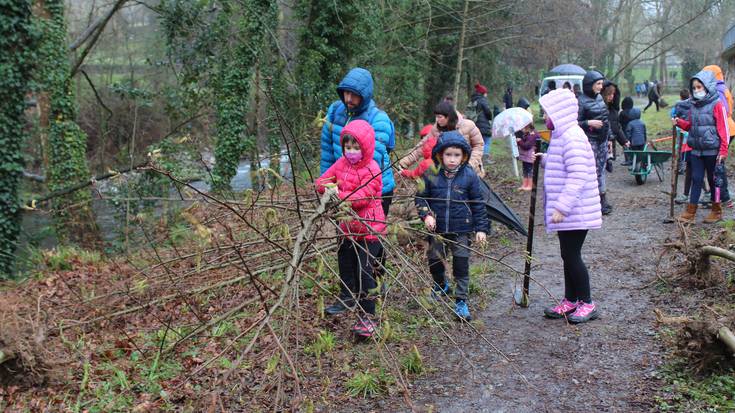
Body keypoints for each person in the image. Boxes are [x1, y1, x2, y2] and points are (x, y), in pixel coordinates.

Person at [320, 67, 395, 315]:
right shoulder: (334, 112)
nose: (348, 100)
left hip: (375, 191)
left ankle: (373, 284)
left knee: (369, 240)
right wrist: (327, 188)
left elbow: (372, 161)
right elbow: (329, 155)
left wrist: (349, 195)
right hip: (342, 191)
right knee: (345, 243)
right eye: (345, 94)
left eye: (354, 95)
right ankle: (347, 293)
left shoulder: (379, 119)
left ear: (365, 94)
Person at [537, 88, 602, 324]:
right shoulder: (561, 135)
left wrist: (561, 207)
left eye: (547, 114)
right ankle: (570, 300)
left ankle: (587, 303)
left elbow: (578, 175)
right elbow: (561, 166)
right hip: (570, 212)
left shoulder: (572, 136)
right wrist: (543, 160)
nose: (545, 119)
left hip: (576, 210)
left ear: (560, 113)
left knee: (572, 255)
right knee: (567, 255)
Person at [315, 120, 386, 337]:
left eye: (356, 147)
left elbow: (362, 198)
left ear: (365, 147)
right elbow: (322, 181)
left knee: (365, 271)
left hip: (368, 230)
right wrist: (326, 187)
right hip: (346, 228)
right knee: (345, 264)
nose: (351, 151)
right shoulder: (341, 163)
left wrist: (338, 194)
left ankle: (368, 316)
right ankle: (347, 297)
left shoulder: (372, 169)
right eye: (348, 147)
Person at [415, 131, 489, 321]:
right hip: (437, 228)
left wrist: (481, 228)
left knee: (461, 263)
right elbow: (420, 197)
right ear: (440, 154)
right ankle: (440, 284)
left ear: (463, 156)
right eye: (448, 155)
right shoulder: (431, 173)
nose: (452, 160)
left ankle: (461, 300)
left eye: (457, 155)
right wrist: (426, 215)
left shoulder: (469, 176)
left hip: (461, 228)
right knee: (434, 259)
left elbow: (478, 203)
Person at [674, 70, 730, 224]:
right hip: (696, 150)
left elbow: (723, 129)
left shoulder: (717, 104)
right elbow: (692, 126)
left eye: (700, 87)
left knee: (714, 181)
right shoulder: (694, 106)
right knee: (696, 178)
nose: (697, 90)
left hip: (712, 151)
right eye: (694, 88)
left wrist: (723, 150)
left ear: (708, 87)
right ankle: (690, 212)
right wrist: (680, 122)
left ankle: (716, 210)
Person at [400, 101, 485, 177]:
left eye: (440, 117)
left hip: (470, 172)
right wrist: (403, 162)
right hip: (446, 173)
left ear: (448, 117)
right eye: (436, 117)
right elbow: (421, 147)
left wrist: (469, 164)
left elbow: (479, 145)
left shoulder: (468, 125)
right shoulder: (436, 129)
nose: (437, 120)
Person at [577, 70, 613, 214]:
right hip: (589, 140)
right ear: (589, 84)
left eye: (601, 83)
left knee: (601, 169)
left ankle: (602, 200)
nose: (601, 86)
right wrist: (588, 122)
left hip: (602, 140)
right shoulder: (580, 101)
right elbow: (574, 122)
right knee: (591, 171)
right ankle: (590, 201)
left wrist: (609, 137)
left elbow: (605, 119)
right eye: (598, 84)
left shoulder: (599, 98)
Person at [703, 65, 735, 208]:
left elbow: (722, 111)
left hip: (724, 129)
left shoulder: (718, 90)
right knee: (718, 165)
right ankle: (720, 197)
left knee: (717, 166)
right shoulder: (722, 87)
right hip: (728, 128)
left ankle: (722, 198)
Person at [602, 80, 630, 172]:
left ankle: (609, 159)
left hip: (610, 140)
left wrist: (624, 141)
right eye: (609, 94)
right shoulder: (600, 108)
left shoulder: (614, 109)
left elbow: (616, 127)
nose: (612, 96)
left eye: (613, 94)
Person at [470, 82, 494, 164]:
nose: (486, 94)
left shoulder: (473, 100)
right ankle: (485, 159)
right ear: (483, 93)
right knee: (487, 141)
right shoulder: (482, 100)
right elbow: (488, 112)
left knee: (477, 142)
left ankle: (476, 158)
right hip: (483, 124)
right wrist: (490, 117)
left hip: (474, 124)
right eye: (486, 93)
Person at [515, 124, 540, 191]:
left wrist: (519, 141)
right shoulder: (528, 133)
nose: (521, 129)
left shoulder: (533, 134)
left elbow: (526, 146)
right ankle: (524, 184)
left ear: (527, 126)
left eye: (522, 127)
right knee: (525, 170)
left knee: (530, 170)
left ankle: (530, 185)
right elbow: (524, 142)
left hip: (530, 156)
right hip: (525, 157)